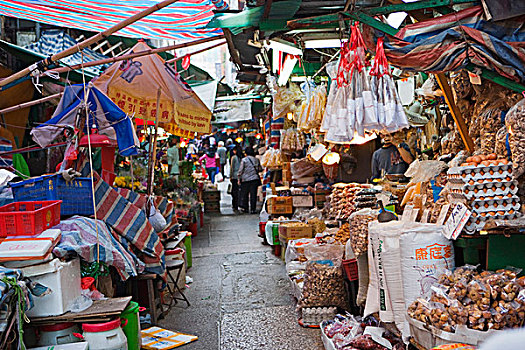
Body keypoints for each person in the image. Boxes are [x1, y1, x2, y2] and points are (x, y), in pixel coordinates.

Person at [238, 147, 262, 214]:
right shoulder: (256, 160)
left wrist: (239, 178)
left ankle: (246, 208)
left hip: (245, 180)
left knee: (245, 194)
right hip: (254, 179)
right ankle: (253, 209)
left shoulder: (244, 160)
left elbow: (240, 170)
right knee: (253, 194)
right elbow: (260, 168)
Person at [229, 146, 242, 213]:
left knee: (234, 191)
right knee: (240, 191)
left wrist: (230, 176)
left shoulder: (233, 158)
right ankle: (239, 204)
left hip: (234, 176)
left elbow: (232, 168)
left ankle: (235, 205)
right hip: (241, 177)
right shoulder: (242, 157)